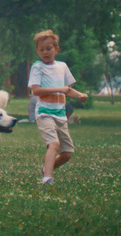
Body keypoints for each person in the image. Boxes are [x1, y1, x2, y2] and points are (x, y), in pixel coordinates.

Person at [27, 30, 88, 185]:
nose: (45, 52)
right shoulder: (37, 67)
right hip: (44, 113)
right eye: (41, 50)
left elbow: (67, 89)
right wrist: (58, 89)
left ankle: (46, 168)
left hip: (60, 115)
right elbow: (36, 91)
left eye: (49, 49)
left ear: (56, 49)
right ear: (37, 51)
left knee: (67, 154)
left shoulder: (62, 66)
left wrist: (79, 95)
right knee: (54, 145)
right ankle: (47, 178)